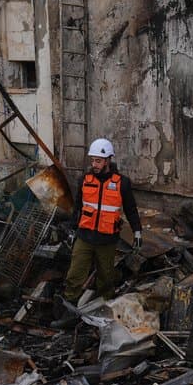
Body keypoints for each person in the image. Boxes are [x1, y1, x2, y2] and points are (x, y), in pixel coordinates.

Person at [55, 138, 142, 325]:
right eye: (93, 160)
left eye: (98, 161)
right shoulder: (84, 180)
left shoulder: (122, 183)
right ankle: (69, 313)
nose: (94, 164)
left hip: (107, 240)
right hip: (84, 237)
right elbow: (78, 208)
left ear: (108, 160)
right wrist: (72, 229)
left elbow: (131, 209)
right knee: (75, 274)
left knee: (106, 278)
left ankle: (105, 314)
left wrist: (137, 232)